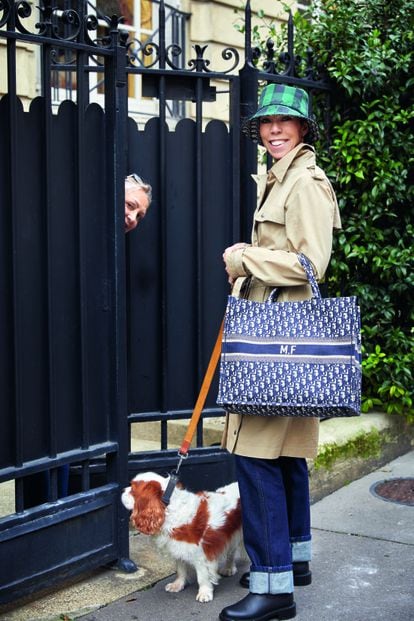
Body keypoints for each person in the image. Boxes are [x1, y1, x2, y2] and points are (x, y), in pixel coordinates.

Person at [219, 83, 342, 621]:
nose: (273, 129)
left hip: (279, 342)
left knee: (256, 457)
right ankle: (294, 561)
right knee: (287, 454)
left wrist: (246, 258)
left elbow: (311, 264)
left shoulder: (306, 183)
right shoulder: (281, 177)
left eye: (284, 122)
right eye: (267, 122)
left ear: (303, 130)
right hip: (280, 336)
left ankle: (273, 590)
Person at [22, 174, 152, 509]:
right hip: (40, 349)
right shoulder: (72, 228)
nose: (132, 218)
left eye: (139, 215)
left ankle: (56, 510)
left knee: (63, 439)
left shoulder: (105, 245)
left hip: (72, 357)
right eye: (129, 206)